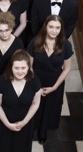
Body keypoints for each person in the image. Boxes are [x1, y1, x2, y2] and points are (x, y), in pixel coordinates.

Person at [0, 49, 41, 152]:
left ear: (28, 68)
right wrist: (8, 124)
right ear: (11, 67)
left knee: (19, 144)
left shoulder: (35, 82)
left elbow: (35, 104)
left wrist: (24, 122)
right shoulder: (1, 81)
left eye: (23, 68)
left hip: (24, 120)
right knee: (2, 143)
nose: (20, 71)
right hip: (3, 119)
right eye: (16, 68)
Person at [27, 15, 73, 144]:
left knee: (49, 107)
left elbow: (67, 68)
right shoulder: (35, 41)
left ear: (61, 29)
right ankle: (30, 129)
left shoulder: (66, 45)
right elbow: (29, 66)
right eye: (51, 27)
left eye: (57, 28)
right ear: (45, 27)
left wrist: (55, 87)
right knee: (33, 104)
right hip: (36, 78)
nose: (54, 30)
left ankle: (43, 130)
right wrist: (35, 85)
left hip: (55, 80)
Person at [0, 11, 24, 82]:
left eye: (7, 30)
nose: (4, 34)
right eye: (0, 31)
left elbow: (20, 64)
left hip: (12, 80)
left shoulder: (18, 43)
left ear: (12, 28)